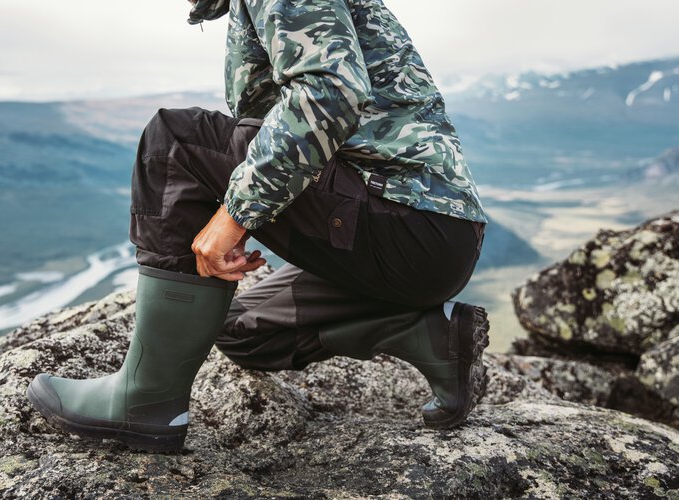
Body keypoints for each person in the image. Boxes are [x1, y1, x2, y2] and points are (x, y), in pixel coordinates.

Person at [27, 0, 490, 453]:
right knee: (240, 331)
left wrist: (236, 213)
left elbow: (329, 93)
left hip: (406, 223)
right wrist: (256, 204)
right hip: (425, 241)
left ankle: (144, 402)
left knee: (174, 142)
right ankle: (429, 336)